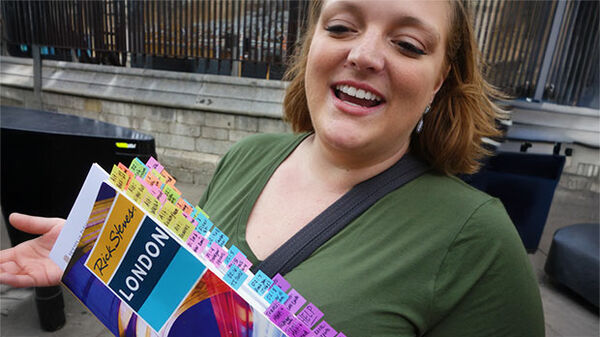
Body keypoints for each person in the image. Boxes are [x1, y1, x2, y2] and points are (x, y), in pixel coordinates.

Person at [1, 0, 544, 336]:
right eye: (341, 27)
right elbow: (187, 309)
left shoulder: (477, 241)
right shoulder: (246, 157)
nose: (365, 55)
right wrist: (94, 254)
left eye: (406, 43)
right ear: (311, 46)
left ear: (443, 76)